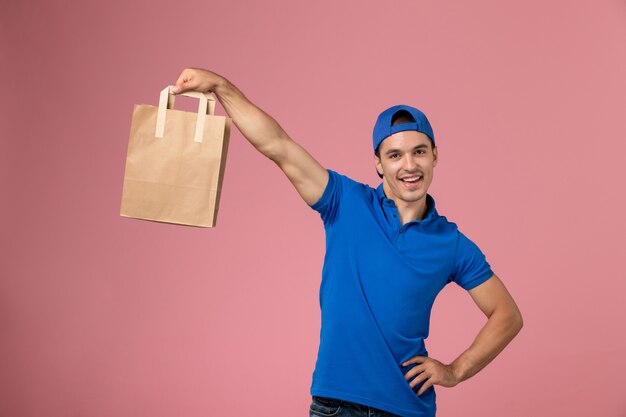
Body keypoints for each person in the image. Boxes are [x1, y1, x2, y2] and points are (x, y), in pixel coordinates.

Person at [171, 67, 523, 417]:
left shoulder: (451, 242)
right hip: (335, 406)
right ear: (378, 164)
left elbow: (507, 315)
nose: (409, 165)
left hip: (407, 408)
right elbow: (278, 145)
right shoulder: (347, 203)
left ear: (435, 155)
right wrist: (220, 86)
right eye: (395, 155)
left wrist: (456, 370)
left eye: (419, 151)